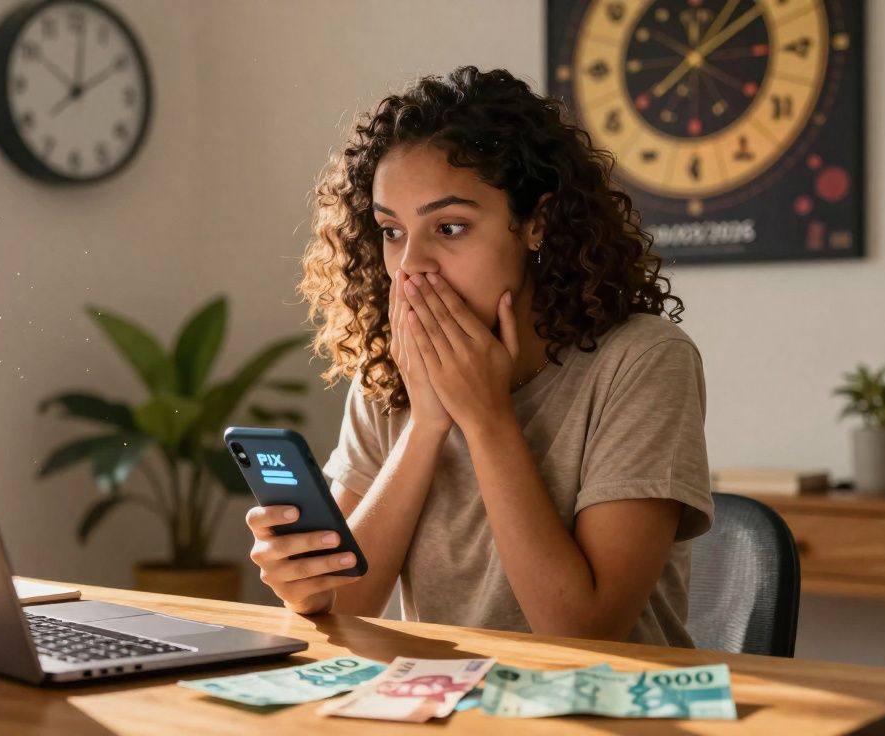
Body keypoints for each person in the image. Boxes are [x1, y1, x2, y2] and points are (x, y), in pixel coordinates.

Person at [245, 66, 713, 647]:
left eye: (450, 226)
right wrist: (427, 424)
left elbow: (585, 629)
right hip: (445, 704)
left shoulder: (642, 362)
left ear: (536, 224)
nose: (412, 264)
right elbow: (348, 600)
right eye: (392, 231)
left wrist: (485, 415)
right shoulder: (395, 369)